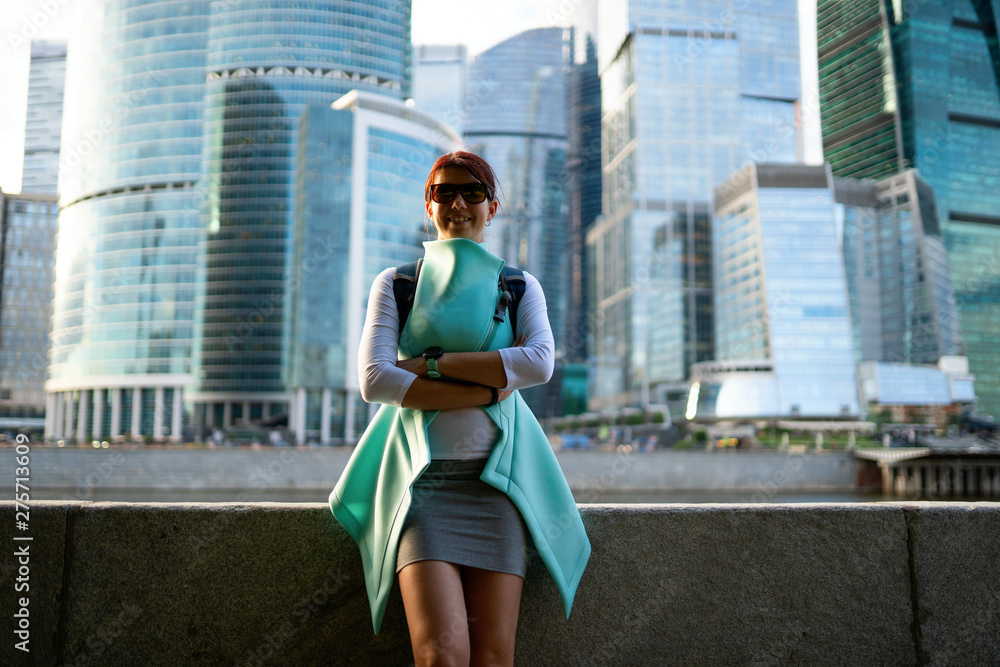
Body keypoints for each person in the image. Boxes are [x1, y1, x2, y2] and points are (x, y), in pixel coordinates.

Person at [330, 151, 590, 666]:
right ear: (429, 205)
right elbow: (376, 379)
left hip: (499, 489)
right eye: (445, 191)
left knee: (494, 657)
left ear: (493, 207)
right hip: (423, 489)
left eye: (472, 192)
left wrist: (429, 363)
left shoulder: (517, 286)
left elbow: (538, 364)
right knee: (441, 656)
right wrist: (488, 386)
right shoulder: (397, 283)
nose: (458, 203)